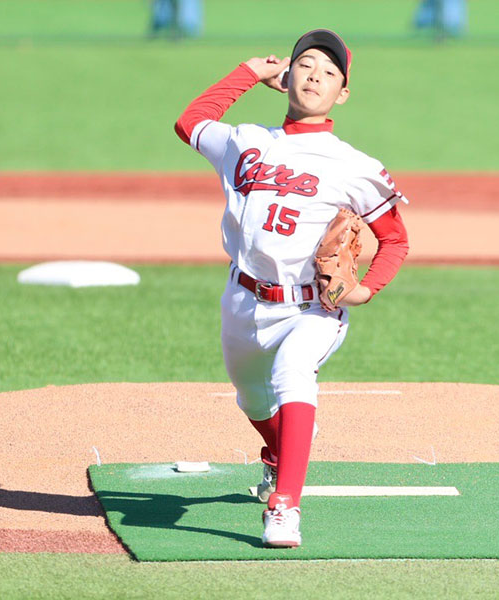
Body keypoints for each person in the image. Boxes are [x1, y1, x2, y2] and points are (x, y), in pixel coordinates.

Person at [173, 29, 409, 548]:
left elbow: (394, 240)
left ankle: (285, 507)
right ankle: (279, 452)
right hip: (242, 296)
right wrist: (249, 72)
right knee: (252, 398)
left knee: (291, 375)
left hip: (312, 307)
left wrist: (366, 290)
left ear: (341, 94)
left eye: (329, 73)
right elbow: (190, 123)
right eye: (306, 66)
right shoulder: (246, 142)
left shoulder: (354, 165)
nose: (315, 76)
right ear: (288, 79)